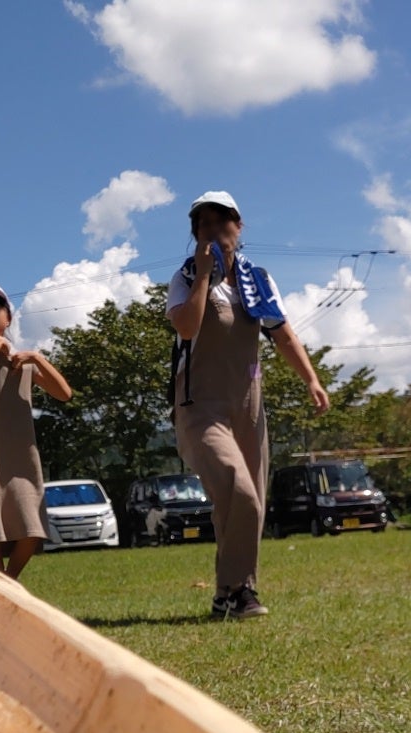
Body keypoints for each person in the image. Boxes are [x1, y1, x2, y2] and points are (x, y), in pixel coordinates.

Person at [167, 191, 329, 619]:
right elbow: (186, 326)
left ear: (240, 228)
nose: (216, 229)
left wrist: (311, 379)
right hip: (200, 403)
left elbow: (283, 334)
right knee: (241, 493)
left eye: (225, 221)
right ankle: (237, 591)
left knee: (247, 501)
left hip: (248, 404)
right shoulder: (184, 278)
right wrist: (204, 275)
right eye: (205, 223)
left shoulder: (258, 279)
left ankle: (233, 594)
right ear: (195, 233)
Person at [0, 283, 73, 579]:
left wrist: (37, 358)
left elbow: (64, 393)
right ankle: (3, 591)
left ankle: (9, 581)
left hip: (20, 457)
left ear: (9, 316)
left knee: (31, 527)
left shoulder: (22, 363)